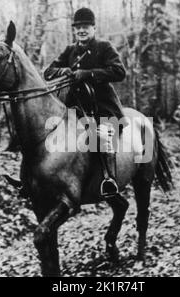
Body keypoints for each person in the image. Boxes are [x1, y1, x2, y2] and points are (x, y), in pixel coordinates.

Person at [43, 7, 127, 198]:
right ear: (74, 30)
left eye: (86, 27)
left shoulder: (104, 47)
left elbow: (119, 72)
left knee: (104, 136)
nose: (81, 30)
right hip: (75, 108)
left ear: (93, 28)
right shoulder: (70, 50)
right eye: (78, 27)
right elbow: (48, 72)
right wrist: (62, 71)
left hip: (103, 108)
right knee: (50, 135)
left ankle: (109, 180)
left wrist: (88, 74)